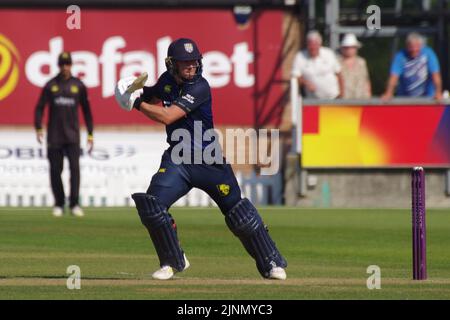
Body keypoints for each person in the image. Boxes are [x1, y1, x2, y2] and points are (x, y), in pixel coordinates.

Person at [114, 38, 287, 280]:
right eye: (185, 63)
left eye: (194, 61)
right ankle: (172, 261)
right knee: (152, 206)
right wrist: (132, 90)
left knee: (240, 215)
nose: (191, 66)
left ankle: (271, 262)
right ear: (172, 64)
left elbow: (167, 115)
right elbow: (152, 97)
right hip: (178, 159)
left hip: (209, 161)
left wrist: (136, 104)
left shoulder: (200, 87)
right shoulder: (166, 81)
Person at [34, 52, 94, 217]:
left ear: (71, 65)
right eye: (62, 64)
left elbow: (87, 111)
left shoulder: (78, 85)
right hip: (54, 136)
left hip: (73, 136)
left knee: (74, 170)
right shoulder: (50, 85)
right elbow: (39, 108)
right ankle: (59, 203)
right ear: (58, 66)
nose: (65, 67)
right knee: (55, 170)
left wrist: (90, 133)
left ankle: (74, 204)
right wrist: (38, 128)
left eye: (67, 64)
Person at [381, 32, 442, 101]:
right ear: (407, 46)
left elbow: (435, 75)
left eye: (417, 47)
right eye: (411, 47)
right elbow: (393, 77)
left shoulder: (429, 54)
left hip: (427, 98)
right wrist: (389, 93)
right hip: (404, 98)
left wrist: (438, 92)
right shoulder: (400, 56)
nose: (414, 50)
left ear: (421, 46)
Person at [291, 30, 344, 99]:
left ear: (320, 44)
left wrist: (341, 94)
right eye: (311, 45)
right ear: (307, 45)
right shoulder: (300, 56)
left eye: (315, 45)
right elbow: (295, 76)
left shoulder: (329, 54)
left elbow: (339, 74)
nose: (313, 48)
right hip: (313, 101)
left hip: (334, 98)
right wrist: (305, 83)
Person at [338, 33, 371, 99]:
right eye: (347, 47)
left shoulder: (362, 62)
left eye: (352, 47)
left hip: (361, 99)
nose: (349, 50)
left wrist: (369, 97)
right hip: (343, 101)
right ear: (343, 49)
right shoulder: (337, 62)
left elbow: (366, 80)